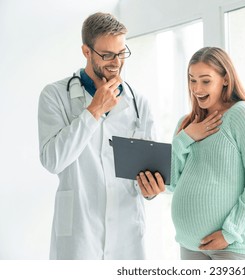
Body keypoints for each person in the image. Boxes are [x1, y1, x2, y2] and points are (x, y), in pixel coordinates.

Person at [38, 12, 165, 260]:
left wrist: (151, 189)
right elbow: (53, 161)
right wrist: (94, 110)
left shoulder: (138, 102)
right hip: (79, 233)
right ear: (87, 51)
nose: (116, 62)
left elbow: (149, 173)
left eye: (121, 53)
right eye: (107, 55)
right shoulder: (54, 96)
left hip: (127, 232)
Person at [170, 47, 245, 259]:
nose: (197, 88)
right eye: (192, 80)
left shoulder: (242, 115)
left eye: (205, 81)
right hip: (189, 245)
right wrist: (185, 138)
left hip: (231, 246)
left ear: (225, 79)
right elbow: (172, 183)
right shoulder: (186, 124)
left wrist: (230, 232)